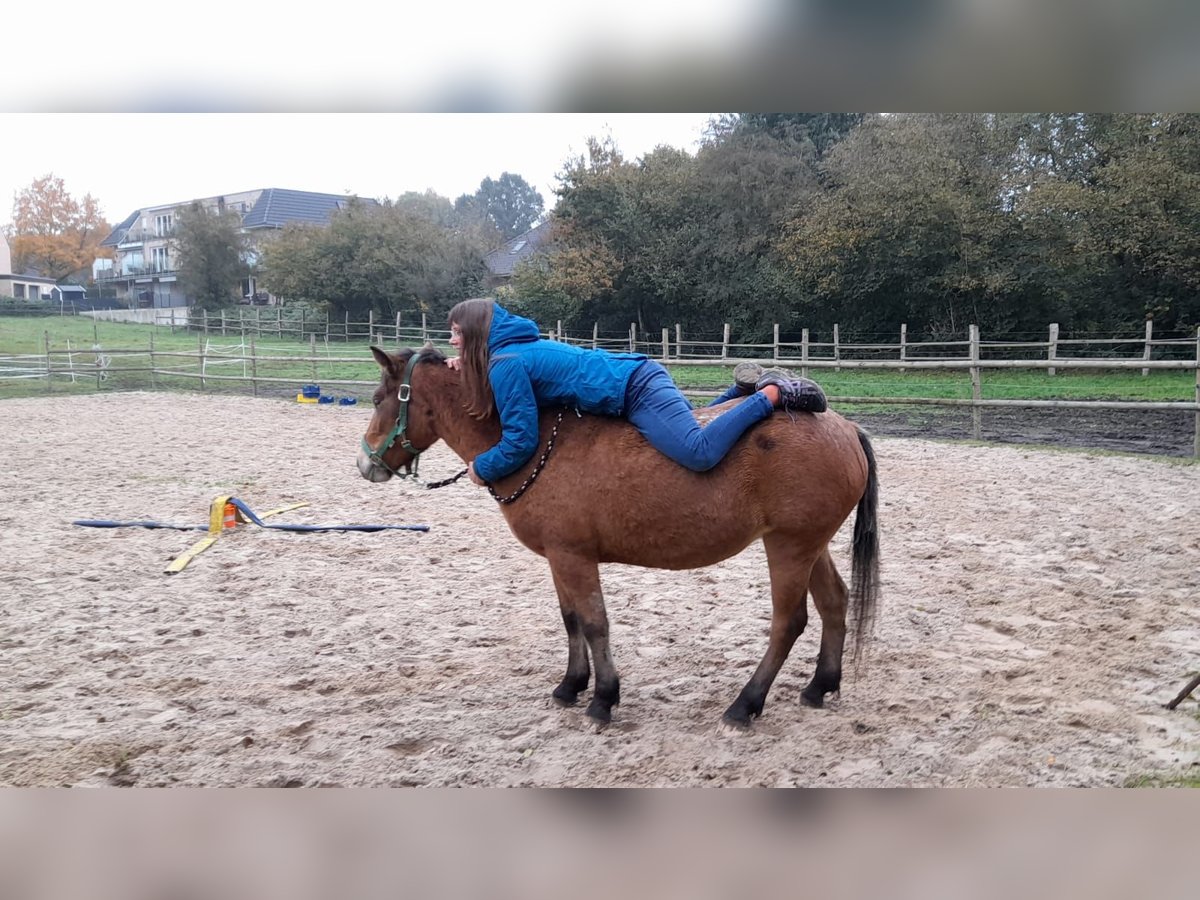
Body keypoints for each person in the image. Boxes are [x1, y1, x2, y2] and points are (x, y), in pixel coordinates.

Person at [446, 299, 827, 487]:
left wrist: (482, 467)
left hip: (634, 389)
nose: (452, 340)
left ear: (478, 334)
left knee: (698, 451)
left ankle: (773, 394)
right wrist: (464, 367)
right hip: (633, 379)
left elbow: (521, 438)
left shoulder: (506, 364)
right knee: (685, 426)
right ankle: (740, 391)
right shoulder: (511, 353)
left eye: (458, 334)